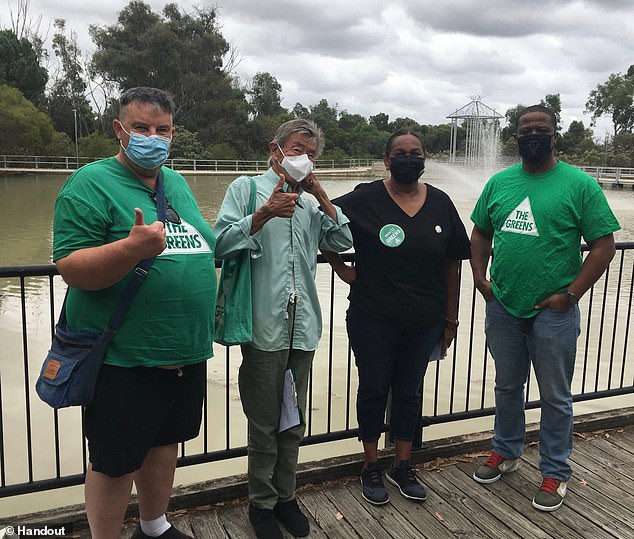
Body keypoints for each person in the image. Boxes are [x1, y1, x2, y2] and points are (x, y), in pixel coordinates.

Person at [53, 87, 216, 539]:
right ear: (119, 130)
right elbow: (70, 267)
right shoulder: (89, 183)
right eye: (141, 128)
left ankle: (153, 525)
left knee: (164, 443)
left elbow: (201, 245)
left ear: (173, 134)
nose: (152, 137)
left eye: (162, 130)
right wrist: (130, 249)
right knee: (114, 461)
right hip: (123, 358)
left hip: (184, 353)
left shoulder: (176, 183)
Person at [470, 105, 620, 512]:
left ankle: (555, 472)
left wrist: (570, 295)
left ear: (555, 136)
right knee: (506, 386)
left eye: (541, 129)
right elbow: (481, 231)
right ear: (514, 137)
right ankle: (506, 451)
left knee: (555, 395)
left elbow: (603, 246)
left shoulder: (579, 185)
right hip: (503, 304)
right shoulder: (499, 183)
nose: (532, 135)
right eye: (525, 129)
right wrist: (480, 278)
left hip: (553, 310)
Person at [213, 119, 352, 539]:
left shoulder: (311, 201)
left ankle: (286, 497)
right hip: (262, 326)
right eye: (296, 149)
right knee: (264, 421)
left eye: (311, 154)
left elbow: (343, 238)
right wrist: (263, 215)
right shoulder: (245, 189)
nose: (302, 159)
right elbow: (219, 244)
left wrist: (322, 194)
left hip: (303, 325)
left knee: (293, 422)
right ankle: (261, 503)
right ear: (275, 149)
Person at [322, 130, 471, 505]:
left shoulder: (440, 202)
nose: (409, 158)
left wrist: (449, 320)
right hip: (373, 316)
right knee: (373, 389)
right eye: (400, 153)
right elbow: (321, 224)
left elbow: (454, 263)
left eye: (416, 153)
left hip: (424, 320)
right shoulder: (364, 199)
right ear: (387, 160)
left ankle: (403, 465)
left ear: (425, 158)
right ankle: (371, 464)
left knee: (409, 391)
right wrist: (340, 266)